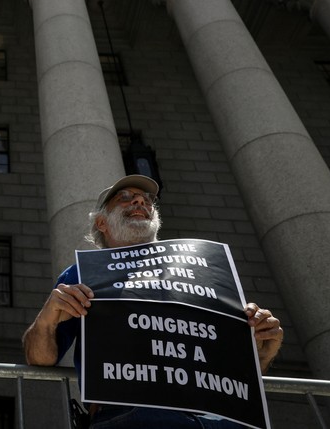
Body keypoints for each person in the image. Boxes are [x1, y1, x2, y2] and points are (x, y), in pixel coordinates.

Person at [22, 174, 284, 429]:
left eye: (146, 200)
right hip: (133, 416)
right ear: (102, 223)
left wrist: (260, 354)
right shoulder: (81, 275)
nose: (139, 202)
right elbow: (40, 359)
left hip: (221, 419)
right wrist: (46, 320)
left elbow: (225, 370)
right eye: (125, 199)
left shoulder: (200, 270)